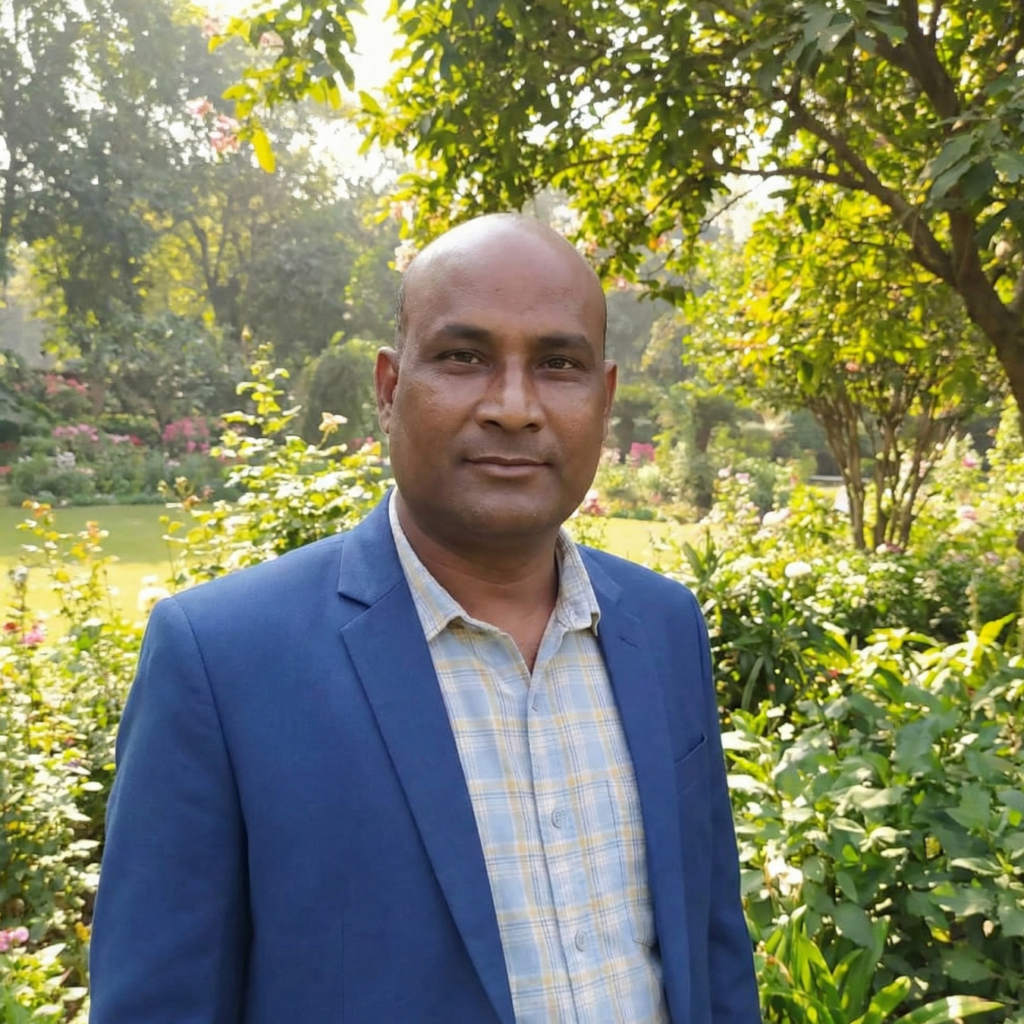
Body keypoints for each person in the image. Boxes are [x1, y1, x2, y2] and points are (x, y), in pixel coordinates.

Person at [89, 214, 761, 1024]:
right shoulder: (223, 662)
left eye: (558, 364)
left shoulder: (663, 625)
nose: (514, 408)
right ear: (389, 385)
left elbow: (713, 946)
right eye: (463, 357)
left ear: (604, 397)